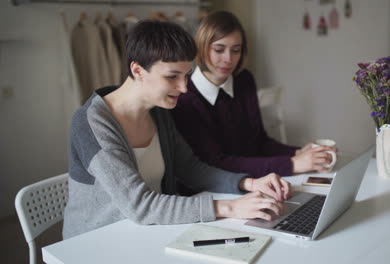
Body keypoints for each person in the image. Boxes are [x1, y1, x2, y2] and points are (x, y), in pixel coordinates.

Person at [63, 20, 291, 239]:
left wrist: (249, 183)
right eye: (172, 77)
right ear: (138, 70)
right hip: (96, 242)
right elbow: (140, 205)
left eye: (186, 76)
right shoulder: (92, 123)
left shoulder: (158, 111)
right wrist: (230, 207)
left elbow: (191, 168)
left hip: (146, 231)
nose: (183, 88)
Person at [171, 11, 336, 179]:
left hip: (256, 179)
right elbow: (215, 162)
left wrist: (300, 152)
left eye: (236, 50)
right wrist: (293, 163)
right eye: (219, 50)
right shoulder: (185, 97)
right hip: (217, 190)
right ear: (201, 47)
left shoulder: (244, 80)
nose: (228, 59)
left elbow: (260, 143)